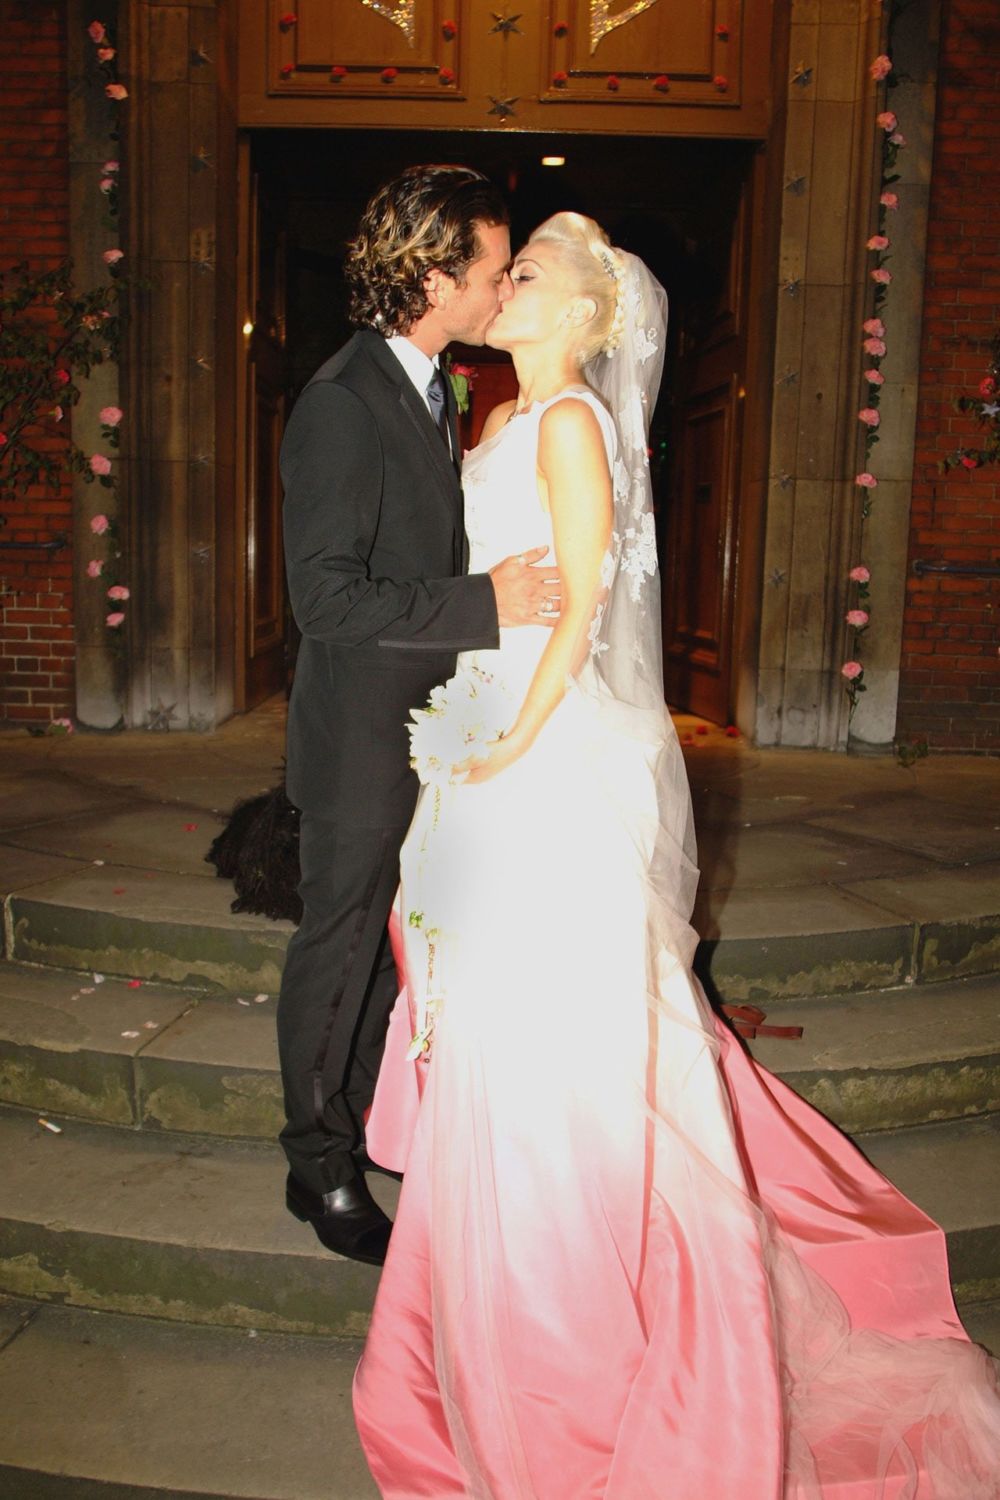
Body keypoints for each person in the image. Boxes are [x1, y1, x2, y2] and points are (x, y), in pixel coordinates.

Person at [352, 212, 1000, 1497]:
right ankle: (495, 1303)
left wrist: (508, 740)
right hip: (472, 739)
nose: (503, 284)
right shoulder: (492, 421)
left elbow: (584, 604)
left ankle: (578, 1326)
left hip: (535, 750)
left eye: (527, 273)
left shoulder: (571, 422)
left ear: (581, 311)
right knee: (478, 1027)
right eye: (506, 269)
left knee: (554, 1042)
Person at [277, 165, 561, 1268]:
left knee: (388, 958)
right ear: (436, 278)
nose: (501, 290)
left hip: (424, 728)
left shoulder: (430, 385)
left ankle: (349, 1125)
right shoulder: (343, 402)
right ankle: (317, 1166)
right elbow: (326, 600)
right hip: (359, 741)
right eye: (491, 270)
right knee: (340, 950)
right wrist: (485, 604)